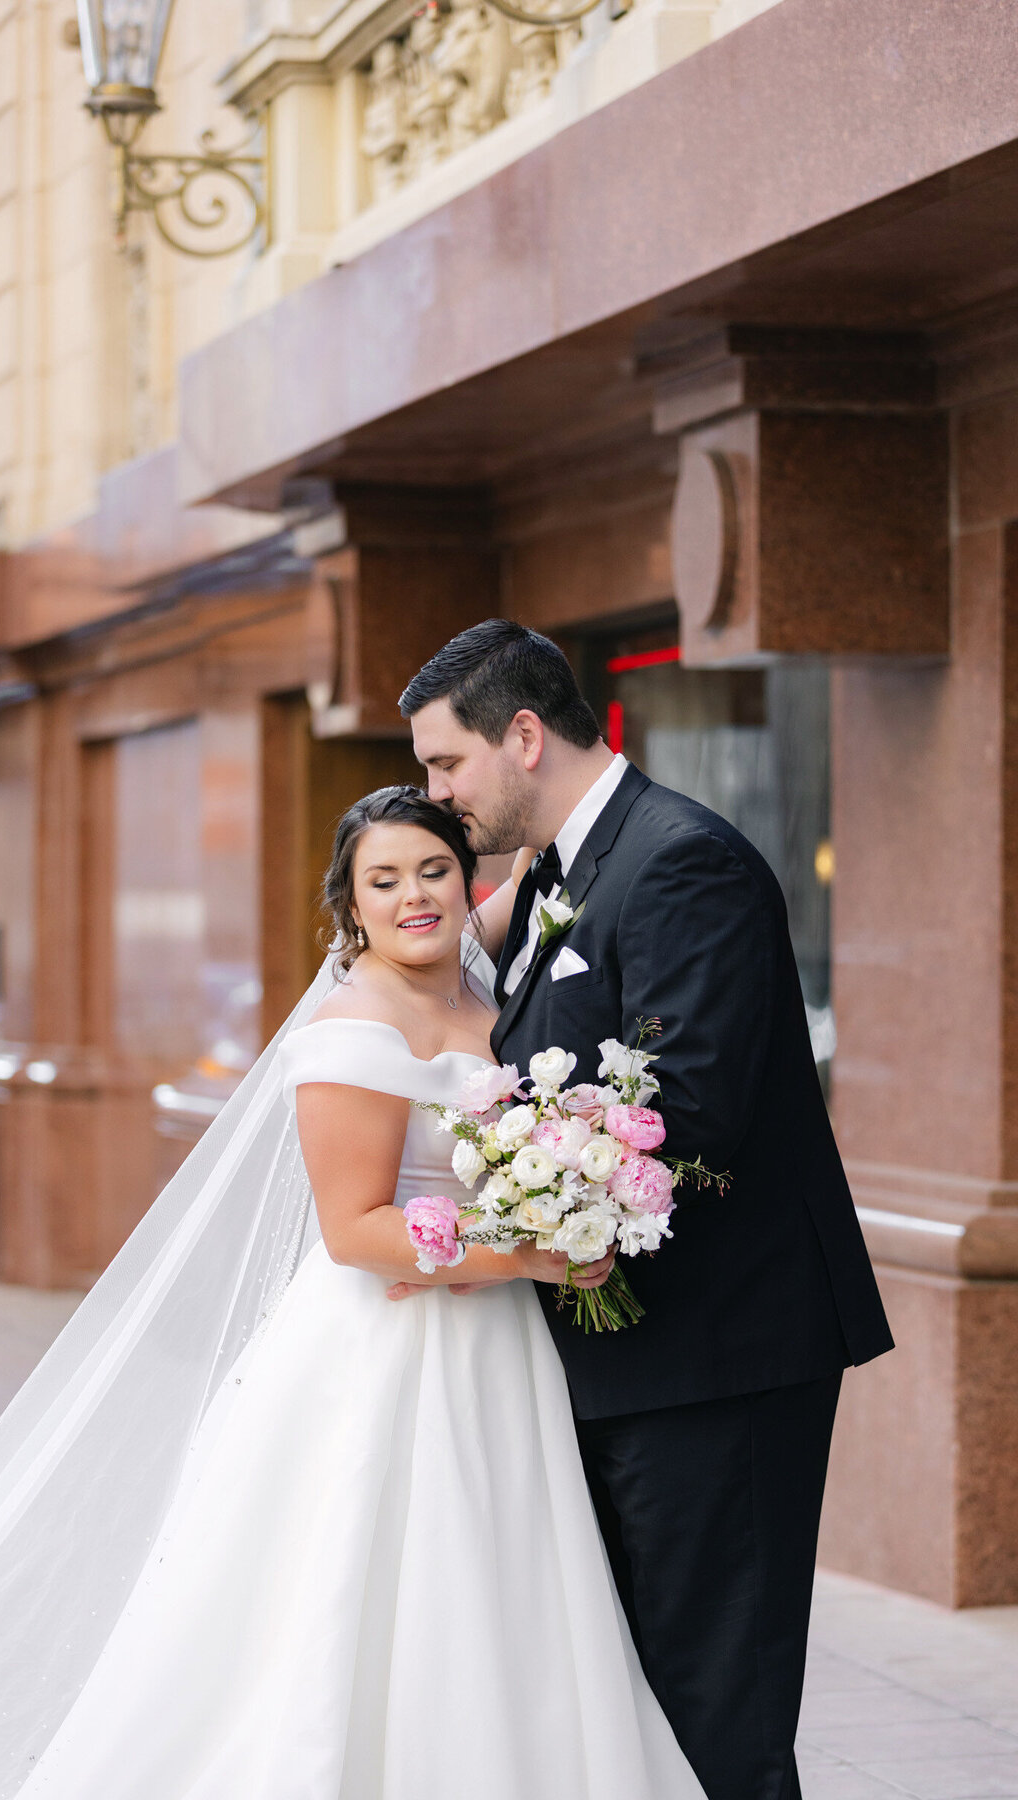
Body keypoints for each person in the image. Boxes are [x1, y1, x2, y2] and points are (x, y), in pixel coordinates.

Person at [0, 784, 705, 1800]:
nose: (415, 895)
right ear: (351, 903)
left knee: (501, 1584)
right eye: (385, 880)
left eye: (433, 871)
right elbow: (356, 1231)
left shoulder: (483, 984)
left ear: (469, 883)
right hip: (385, 1350)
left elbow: (540, 880)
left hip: (494, 1341)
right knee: (361, 1591)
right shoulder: (350, 1026)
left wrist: (564, 1195)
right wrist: (537, 1253)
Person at [400, 618, 895, 1800]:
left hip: (715, 1358)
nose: (435, 795)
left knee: (714, 1710)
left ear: (524, 737)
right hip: (627, 1356)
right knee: (640, 1708)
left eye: (446, 764)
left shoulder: (681, 859)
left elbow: (686, 1109)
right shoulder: (556, 878)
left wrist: (501, 1219)